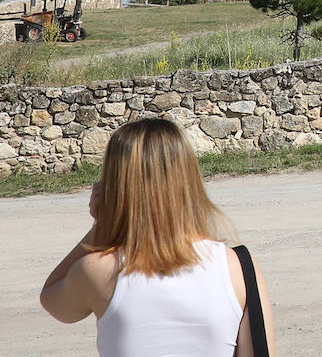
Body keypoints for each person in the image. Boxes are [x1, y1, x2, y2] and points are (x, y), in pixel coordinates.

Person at [40, 117, 276, 356]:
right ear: (188, 178)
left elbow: (52, 301)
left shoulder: (98, 271)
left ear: (115, 186)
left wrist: (101, 225)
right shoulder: (238, 267)